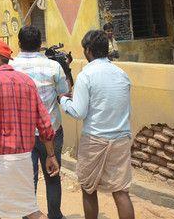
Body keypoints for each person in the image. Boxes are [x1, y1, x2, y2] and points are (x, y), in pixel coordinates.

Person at [0, 40, 59, 219]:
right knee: (29, 209)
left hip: (0, 158)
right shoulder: (27, 82)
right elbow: (44, 123)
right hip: (24, 159)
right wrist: (51, 155)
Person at [60, 30, 134, 219]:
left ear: (88, 50)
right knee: (121, 191)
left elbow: (79, 112)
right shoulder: (121, 74)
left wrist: (64, 101)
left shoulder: (87, 75)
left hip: (94, 139)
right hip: (121, 138)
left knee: (88, 188)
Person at [11, 26, 70, 219]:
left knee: (28, 179)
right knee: (53, 176)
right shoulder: (54, 66)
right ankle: (55, 215)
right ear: (40, 44)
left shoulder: (11, 67)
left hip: (22, 134)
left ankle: (28, 214)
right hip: (51, 131)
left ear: (19, 43)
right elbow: (65, 92)